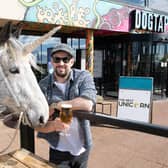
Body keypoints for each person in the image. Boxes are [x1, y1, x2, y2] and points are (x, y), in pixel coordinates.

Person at [36, 43, 97, 168]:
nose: (61, 63)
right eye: (57, 59)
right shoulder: (43, 85)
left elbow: (88, 103)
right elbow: (37, 124)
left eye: (65, 59)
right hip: (58, 149)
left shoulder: (83, 76)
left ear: (72, 62)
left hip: (82, 147)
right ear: (52, 62)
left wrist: (57, 105)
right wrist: (52, 126)